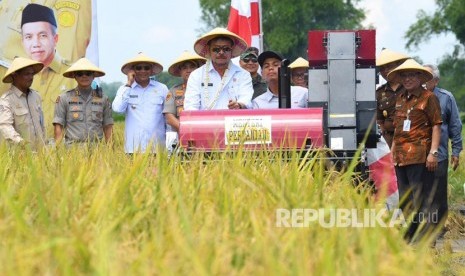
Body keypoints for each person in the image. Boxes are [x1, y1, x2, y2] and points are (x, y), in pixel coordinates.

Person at [388, 59, 442, 242]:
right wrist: (392, 153)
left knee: (421, 197)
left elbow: (436, 126)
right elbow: (397, 128)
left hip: (419, 155)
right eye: (404, 75)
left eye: (412, 75)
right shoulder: (400, 98)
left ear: (420, 77)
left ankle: (426, 237)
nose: (408, 79)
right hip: (400, 156)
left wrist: (433, 153)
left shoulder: (429, 97)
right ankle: (410, 234)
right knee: (405, 198)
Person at [0, 3, 75, 126]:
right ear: (22, 41)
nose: (36, 43)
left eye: (43, 36)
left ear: (55, 39)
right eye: (29, 37)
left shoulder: (76, 76)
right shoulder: (12, 76)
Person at [424, 64, 463, 237]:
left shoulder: (446, 98)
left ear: (436, 81)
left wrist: (456, 151)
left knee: (438, 192)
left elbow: (455, 124)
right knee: (421, 190)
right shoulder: (413, 97)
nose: (424, 81)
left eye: (428, 78)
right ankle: (423, 225)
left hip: (439, 154)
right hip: (417, 154)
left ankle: (438, 228)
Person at [184, 27, 253, 110]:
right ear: (209, 50)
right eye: (216, 49)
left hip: (234, 121)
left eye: (226, 49)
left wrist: (239, 105)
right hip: (205, 122)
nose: (221, 53)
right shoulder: (196, 75)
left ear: (232, 51)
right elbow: (191, 106)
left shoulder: (243, 74)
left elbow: (246, 99)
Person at [112, 53, 168, 154]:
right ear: (132, 71)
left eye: (146, 68)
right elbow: (117, 109)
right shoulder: (124, 89)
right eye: (139, 68)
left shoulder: (162, 88)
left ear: (151, 70)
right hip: (133, 148)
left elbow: (167, 117)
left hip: (158, 148)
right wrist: (129, 83)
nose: (143, 71)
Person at [53, 58, 113, 145]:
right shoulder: (64, 98)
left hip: (97, 151)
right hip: (72, 151)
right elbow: (58, 126)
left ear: (93, 76)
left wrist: (110, 150)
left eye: (88, 73)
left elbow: (108, 126)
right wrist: (58, 151)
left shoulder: (103, 99)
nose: (84, 76)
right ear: (74, 76)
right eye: (80, 74)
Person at [163, 51, 206, 151]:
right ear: (180, 72)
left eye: (192, 67)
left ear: (199, 69)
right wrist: (187, 131)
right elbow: (169, 117)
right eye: (184, 68)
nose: (188, 70)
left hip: (208, 136)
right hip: (182, 139)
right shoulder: (173, 91)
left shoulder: (208, 89)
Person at [0, 57, 45, 149]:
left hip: (39, 155)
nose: (31, 77)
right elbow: (5, 126)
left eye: (32, 74)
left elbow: (42, 125)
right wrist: (22, 143)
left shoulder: (36, 96)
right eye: (27, 74)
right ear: (15, 76)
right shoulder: (6, 100)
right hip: (20, 155)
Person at [376, 49, 409, 148]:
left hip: (410, 138)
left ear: (398, 67)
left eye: (389, 67)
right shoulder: (379, 92)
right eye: (382, 68)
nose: (386, 71)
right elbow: (379, 120)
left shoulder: (410, 87)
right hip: (388, 141)